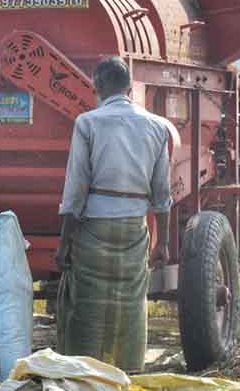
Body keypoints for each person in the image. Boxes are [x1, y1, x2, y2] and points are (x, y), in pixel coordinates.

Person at [55, 56, 172, 372]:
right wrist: (163, 242)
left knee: (87, 304)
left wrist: (64, 242)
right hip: (135, 228)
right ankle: (128, 368)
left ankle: (85, 369)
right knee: (131, 303)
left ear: (99, 86)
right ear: (130, 87)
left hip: (94, 226)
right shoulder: (158, 126)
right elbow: (162, 194)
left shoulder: (88, 123)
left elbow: (76, 188)